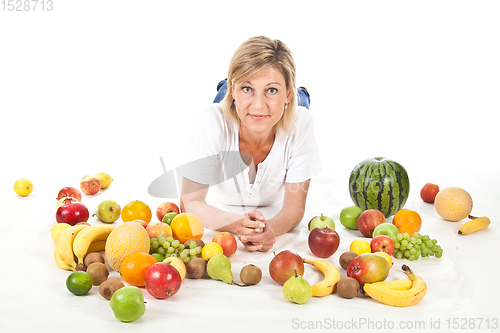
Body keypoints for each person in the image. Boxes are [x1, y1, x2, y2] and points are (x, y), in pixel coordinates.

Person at [180, 36, 321, 252]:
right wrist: (239, 224)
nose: (258, 104)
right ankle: (228, 87)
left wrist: (270, 229)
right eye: (247, 88)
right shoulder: (211, 122)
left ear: (287, 94)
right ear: (234, 90)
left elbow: (294, 206)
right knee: (224, 108)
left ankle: (298, 94)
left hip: (288, 109)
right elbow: (189, 203)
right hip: (230, 108)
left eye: (272, 90)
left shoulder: (300, 122)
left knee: (300, 106)